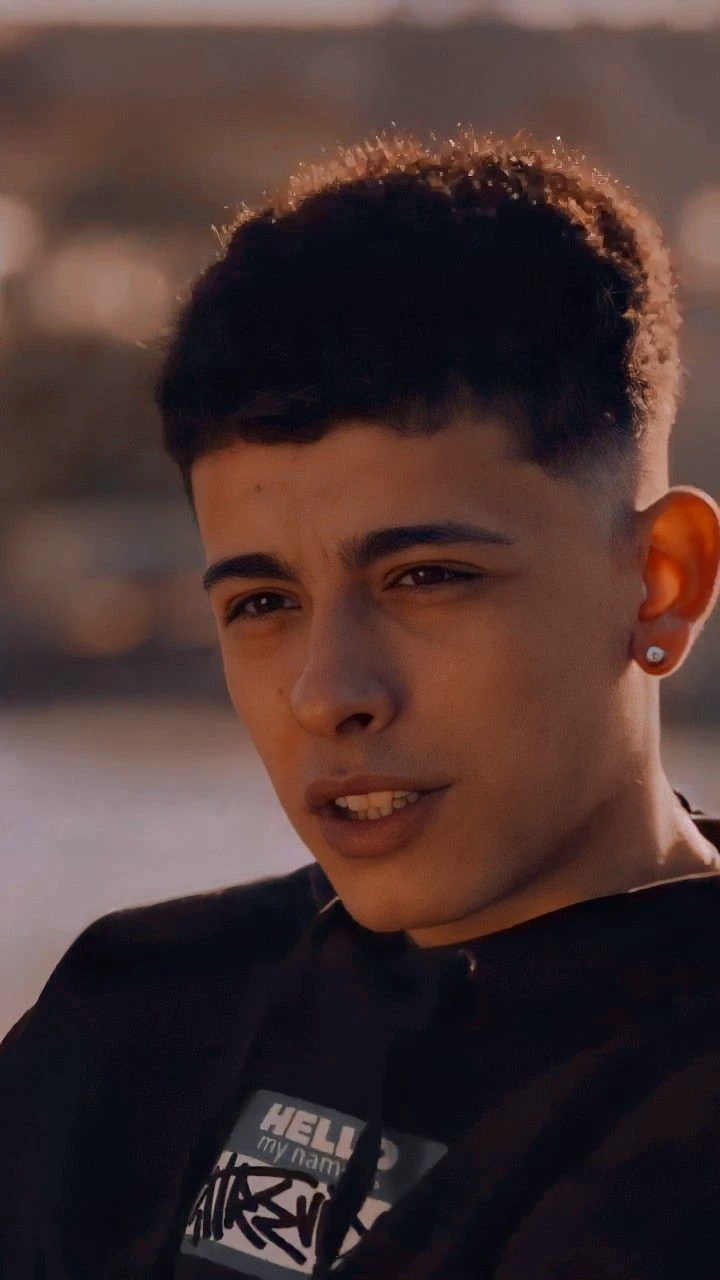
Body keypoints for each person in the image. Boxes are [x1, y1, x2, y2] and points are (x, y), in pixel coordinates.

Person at [2, 129, 720, 1280]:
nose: (328, 692)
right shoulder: (133, 1016)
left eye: (426, 577)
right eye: (261, 601)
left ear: (663, 580)